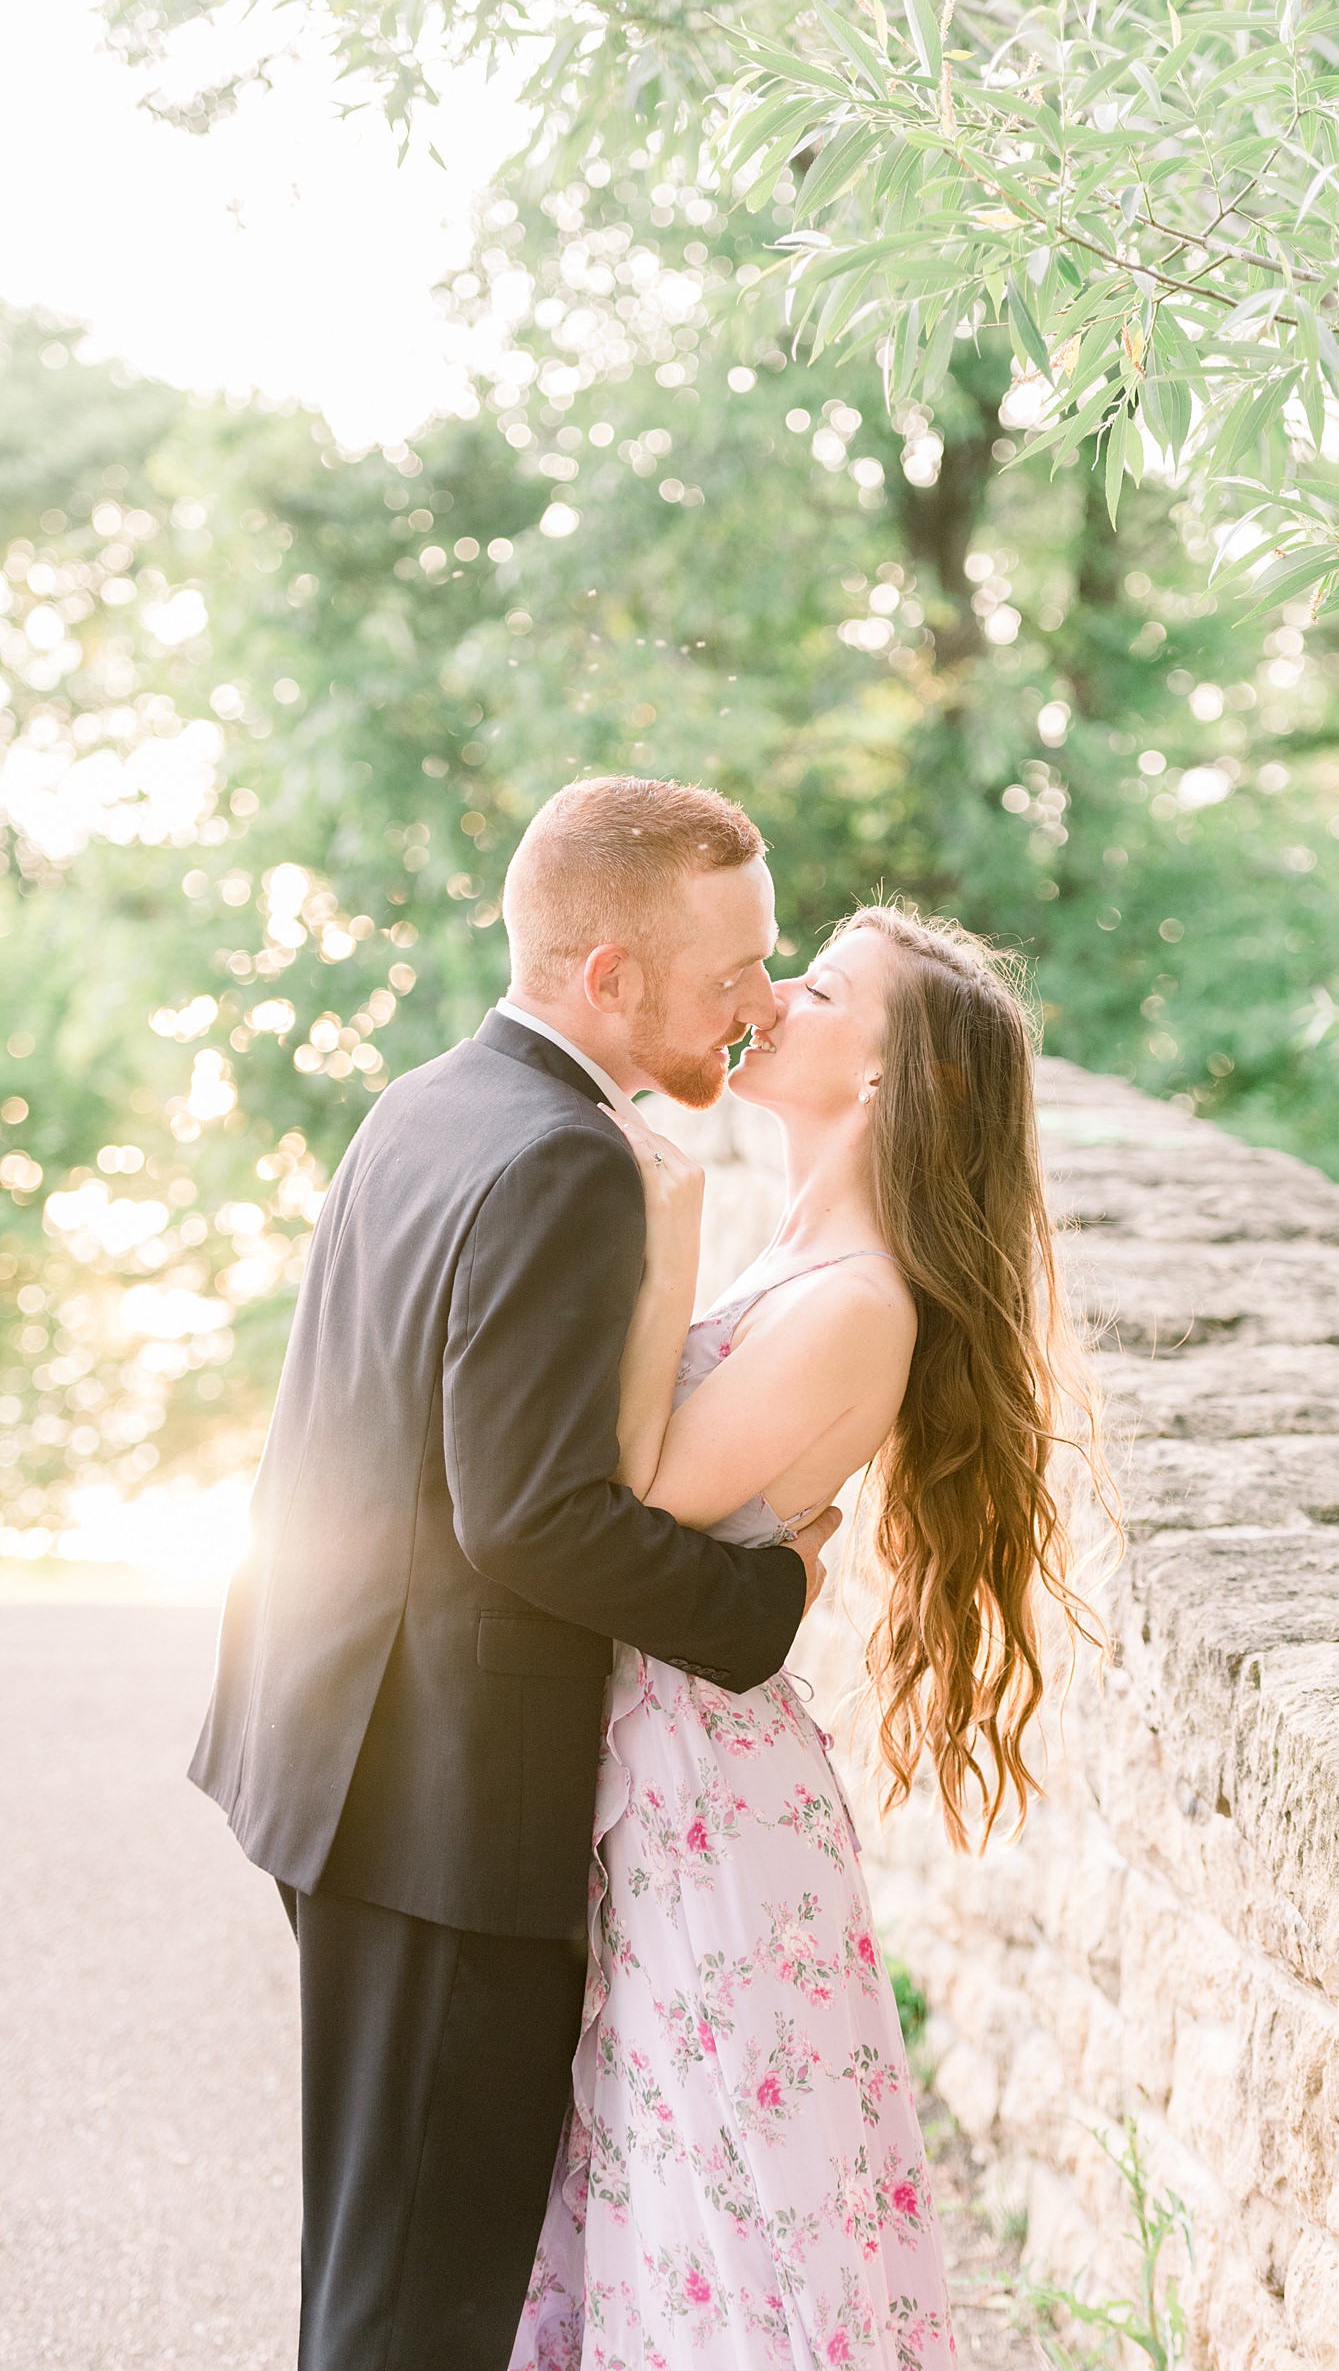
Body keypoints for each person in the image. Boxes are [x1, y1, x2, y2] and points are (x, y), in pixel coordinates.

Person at [188, 777, 842, 2371]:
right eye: (729, 972)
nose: (760, 1003)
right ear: (606, 975)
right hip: (441, 1809)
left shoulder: (429, 1098)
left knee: (389, 2264)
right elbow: (531, 1518)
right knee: (418, 2306)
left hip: (337, 1753)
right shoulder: (564, 1160)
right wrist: (775, 1599)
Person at [513, 904, 1114, 2371]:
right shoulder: (799, 1256)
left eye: (823, 987)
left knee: (728, 2210)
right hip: (657, 1771)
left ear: (892, 1080)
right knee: (652, 2186)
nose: (773, 994)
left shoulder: (856, 1302)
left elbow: (638, 1487)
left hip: (707, 1803)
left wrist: (656, 1226)